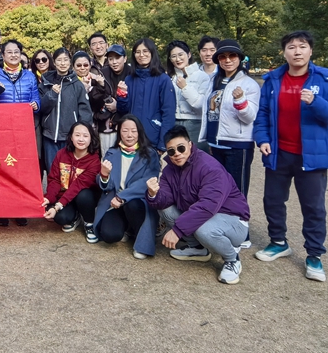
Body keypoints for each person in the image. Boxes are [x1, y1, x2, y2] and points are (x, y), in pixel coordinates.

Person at [253, 31, 328, 282]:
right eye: (291, 47)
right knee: (273, 200)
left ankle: (314, 255)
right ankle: (278, 242)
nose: (297, 51)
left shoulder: (326, 79)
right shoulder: (273, 79)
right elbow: (262, 113)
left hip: (311, 156)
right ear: (284, 52)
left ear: (310, 51)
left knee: (313, 207)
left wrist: (316, 102)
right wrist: (262, 139)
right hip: (278, 153)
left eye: (302, 46)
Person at [147, 125, 250, 285]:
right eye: (171, 151)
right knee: (165, 210)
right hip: (204, 218)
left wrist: (178, 230)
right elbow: (166, 199)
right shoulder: (169, 170)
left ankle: (232, 259)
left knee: (203, 229)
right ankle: (198, 248)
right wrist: (153, 194)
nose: (177, 154)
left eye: (181, 148)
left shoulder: (210, 167)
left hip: (233, 221)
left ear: (190, 144)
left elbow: (207, 206)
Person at [199, 39, 260, 244]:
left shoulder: (249, 84)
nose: (227, 60)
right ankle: (223, 229)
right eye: (223, 57)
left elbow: (249, 117)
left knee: (237, 191)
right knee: (218, 189)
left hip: (237, 144)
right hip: (215, 144)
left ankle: (243, 235)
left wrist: (240, 101)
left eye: (232, 56)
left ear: (239, 58)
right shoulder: (214, 81)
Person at [0, 40, 40, 227]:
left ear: (21, 54)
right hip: (1, 130)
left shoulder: (29, 76)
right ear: (3, 55)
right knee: (2, 169)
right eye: (9, 52)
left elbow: (36, 98)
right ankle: (2, 209)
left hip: (23, 130)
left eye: (17, 52)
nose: (14, 55)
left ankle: (20, 209)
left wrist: (36, 105)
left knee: (21, 170)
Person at [93, 115, 160, 258]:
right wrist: (104, 175)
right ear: (119, 132)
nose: (129, 135)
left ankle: (139, 236)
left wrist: (122, 197)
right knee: (109, 235)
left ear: (139, 132)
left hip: (136, 201)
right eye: (125, 131)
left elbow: (147, 181)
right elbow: (106, 186)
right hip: (114, 202)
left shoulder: (150, 154)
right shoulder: (112, 153)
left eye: (133, 131)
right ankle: (127, 228)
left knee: (133, 205)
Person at [42, 121, 101, 243]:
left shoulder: (94, 160)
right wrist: (49, 198)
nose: (81, 139)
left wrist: (57, 206)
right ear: (71, 137)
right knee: (60, 218)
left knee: (84, 195)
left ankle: (89, 223)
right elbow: (54, 179)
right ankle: (75, 217)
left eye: (85, 135)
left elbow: (78, 185)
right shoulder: (61, 154)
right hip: (65, 196)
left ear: (91, 138)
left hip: (85, 197)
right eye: (77, 135)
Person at [116, 38, 176, 152]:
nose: (141, 55)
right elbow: (123, 111)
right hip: (131, 139)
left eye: (145, 51)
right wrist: (122, 96)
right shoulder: (129, 79)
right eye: (138, 52)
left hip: (153, 138)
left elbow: (168, 114)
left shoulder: (163, 79)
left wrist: (163, 144)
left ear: (152, 53)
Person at [39, 47, 93, 170]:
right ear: (54, 62)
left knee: (69, 171)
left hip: (70, 137)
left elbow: (85, 112)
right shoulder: (46, 83)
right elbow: (42, 108)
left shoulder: (77, 85)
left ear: (70, 62)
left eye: (65, 60)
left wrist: (82, 135)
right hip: (49, 135)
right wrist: (52, 95)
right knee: (52, 170)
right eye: (59, 60)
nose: (62, 63)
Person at [91, 44, 133, 153]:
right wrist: (101, 86)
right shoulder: (103, 73)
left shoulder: (132, 73)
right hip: (106, 124)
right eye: (110, 59)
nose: (114, 62)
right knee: (108, 155)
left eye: (117, 58)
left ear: (125, 58)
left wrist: (117, 106)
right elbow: (94, 100)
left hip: (129, 122)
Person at [166, 40, 206, 148]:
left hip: (195, 123)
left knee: (196, 156)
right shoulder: (170, 79)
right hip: (174, 123)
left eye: (180, 54)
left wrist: (185, 87)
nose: (177, 59)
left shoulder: (202, 76)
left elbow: (201, 105)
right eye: (173, 56)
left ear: (188, 55)